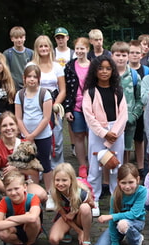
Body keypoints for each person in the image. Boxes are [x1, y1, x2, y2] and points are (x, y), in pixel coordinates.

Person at [82, 56, 128, 216]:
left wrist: (113, 132)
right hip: (97, 133)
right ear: (95, 70)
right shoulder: (90, 92)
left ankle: (117, 199)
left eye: (108, 68)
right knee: (95, 167)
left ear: (113, 71)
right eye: (101, 68)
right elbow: (88, 115)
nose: (104, 71)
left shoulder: (118, 90)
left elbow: (123, 114)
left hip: (116, 131)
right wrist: (104, 133)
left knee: (116, 166)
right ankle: (93, 199)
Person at [28, 35, 67, 186]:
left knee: (56, 141)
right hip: (35, 106)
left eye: (46, 46)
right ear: (36, 49)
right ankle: (37, 173)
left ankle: (59, 174)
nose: (44, 49)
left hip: (54, 106)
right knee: (38, 141)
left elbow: (63, 89)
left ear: (50, 48)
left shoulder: (57, 66)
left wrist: (54, 105)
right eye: (41, 46)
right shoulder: (31, 65)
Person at [0, 111, 47, 201]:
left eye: (11, 124)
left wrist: (18, 168)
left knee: (42, 195)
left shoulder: (25, 146)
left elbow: (35, 172)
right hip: (3, 186)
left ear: (17, 127)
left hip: (22, 184)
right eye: (4, 126)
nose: (8, 128)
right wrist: (10, 191)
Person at [15, 64, 54, 204]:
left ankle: (50, 193)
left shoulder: (45, 94)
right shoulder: (20, 95)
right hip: (26, 136)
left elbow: (46, 118)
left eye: (34, 77)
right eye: (29, 77)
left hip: (43, 136)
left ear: (39, 79)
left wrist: (33, 135)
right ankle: (35, 192)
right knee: (30, 165)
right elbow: (18, 117)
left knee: (45, 164)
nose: (32, 80)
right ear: (24, 78)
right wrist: (26, 135)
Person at [93, 163, 147, 245]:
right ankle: (120, 237)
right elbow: (112, 223)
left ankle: (137, 240)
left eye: (131, 182)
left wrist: (111, 216)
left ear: (138, 180)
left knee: (123, 223)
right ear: (118, 181)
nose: (127, 186)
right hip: (118, 224)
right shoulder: (116, 195)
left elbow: (134, 214)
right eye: (123, 183)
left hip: (136, 222)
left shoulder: (142, 191)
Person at [0, 170, 45, 245]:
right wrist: (25, 217)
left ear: (25, 187)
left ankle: (30, 244)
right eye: (9, 190)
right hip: (15, 229)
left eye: (16, 188)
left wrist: (10, 219)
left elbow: (33, 218)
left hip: (31, 228)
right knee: (1, 232)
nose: (13, 193)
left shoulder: (33, 198)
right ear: (5, 190)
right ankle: (19, 244)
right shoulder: (4, 201)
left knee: (34, 220)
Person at [49, 163, 95, 245]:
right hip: (66, 217)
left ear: (71, 180)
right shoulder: (53, 192)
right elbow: (64, 216)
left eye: (64, 180)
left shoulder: (81, 192)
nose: (60, 184)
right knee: (53, 240)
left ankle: (86, 241)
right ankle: (72, 232)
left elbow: (92, 205)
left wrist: (74, 211)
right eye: (57, 180)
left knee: (85, 208)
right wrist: (78, 231)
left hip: (80, 215)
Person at [111, 42, 142, 166]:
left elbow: (139, 100)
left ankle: (124, 176)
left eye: (124, 55)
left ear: (128, 56)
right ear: (112, 56)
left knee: (125, 151)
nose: (121, 58)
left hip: (128, 123)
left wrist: (134, 116)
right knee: (111, 151)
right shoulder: (107, 75)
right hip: (111, 122)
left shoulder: (134, 76)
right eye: (117, 55)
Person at [64, 37, 91, 179]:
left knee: (91, 137)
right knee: (79, 136)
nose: (80, 51)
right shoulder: (69, 66)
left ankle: (92, 164)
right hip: (76, 106)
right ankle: (82, 166)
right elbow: (67, 89)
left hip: (92, 107)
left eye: (82, 48)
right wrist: (67, 109)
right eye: (77, 48)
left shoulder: (94, 65)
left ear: (87, 49)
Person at [129, 40, 149, 175]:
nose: (134, 55)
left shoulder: (146, 70)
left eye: (137, 53)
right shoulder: (123, 69)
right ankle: (125, 166)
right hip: (126, 110)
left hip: (142, 109)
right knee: (126, 139)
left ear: (142, 54)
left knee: (139, 138)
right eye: (132, 52)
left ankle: (141, 166)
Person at [3, 26, 34, 90]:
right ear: (12, 39)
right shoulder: (7, 53)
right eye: (16, 38)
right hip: (13, 87)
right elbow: (6, 72)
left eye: (21, 37)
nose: (19, 40)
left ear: (24, 38)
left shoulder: (31, 53)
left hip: (28, 86)